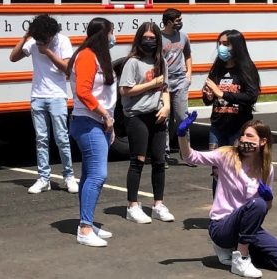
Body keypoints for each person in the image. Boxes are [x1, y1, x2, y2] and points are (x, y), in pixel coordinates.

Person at [178, 119, 277, 278]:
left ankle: (239, 250)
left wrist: (269, 198)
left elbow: (265, 208)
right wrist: (182, 136)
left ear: (262, 141)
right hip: (221, 226)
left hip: (246, 227)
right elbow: (190, 157)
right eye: (242, 135)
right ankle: (241, 258)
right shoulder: (227, 155)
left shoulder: (267, 168)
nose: (244, 139)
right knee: (257, 203)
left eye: (249, 136)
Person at [9, 15, 78, 194]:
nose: (42, 41)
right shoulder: (33, 41)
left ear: (52, 34)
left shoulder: (63, 41)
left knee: (62, 138)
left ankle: (69, 176)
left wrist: (47, 51)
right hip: (37, 96)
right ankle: (43, 178)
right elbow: (13, 57)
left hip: (57, 96)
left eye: (45, 38)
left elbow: (67, 68)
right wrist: (26, 37)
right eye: (39, 38)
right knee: (41, 139)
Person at [67, 17, 117, 247]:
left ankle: (86, 222)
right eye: (111, 32)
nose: (113, 37)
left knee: (89, 175)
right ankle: (85, 228)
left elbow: (104, 94)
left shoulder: (98, 56)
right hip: (88, 121)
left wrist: (110, 121)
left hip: (99, 122)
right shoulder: (86, 55)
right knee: (98, 175)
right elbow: (83, 92)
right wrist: (105, 115)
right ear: (102, 34)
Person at [119, 22, 174, 224]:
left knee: (159, 161)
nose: (149, 41)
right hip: (136, 116)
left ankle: (158, 204)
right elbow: (125, 90)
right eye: (146, 38)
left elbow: (165, 88)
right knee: (138, 160)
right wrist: (152, 83)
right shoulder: (132, 62)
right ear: (139, 39)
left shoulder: (161, 62)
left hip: (157, 115)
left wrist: (166, 107)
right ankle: (132, 205)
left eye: (153, 38)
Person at [202, 30, 260, 195]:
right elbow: (208, 97)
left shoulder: (246, 68)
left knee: (237, 171)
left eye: (226, 44)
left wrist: (222, 93)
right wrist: (208, 96)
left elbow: (251, 96)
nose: (222, 47)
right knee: (217, 172)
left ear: (237, 46)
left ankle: (237, 211)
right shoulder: (217, 68)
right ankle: (218, 213)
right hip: (218, 127)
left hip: (238, 129)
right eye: (220, 44)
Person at [160, 8, 193, 166]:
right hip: (165, 81)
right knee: (164, 118)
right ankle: (164, 153)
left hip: (180, 80)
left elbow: (187, 55)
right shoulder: (159, 38)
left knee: (182, 117)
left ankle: (186, 152)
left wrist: (189, 75)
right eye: (177, 20)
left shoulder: (183, 36)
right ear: (168, 22)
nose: (180, 23)